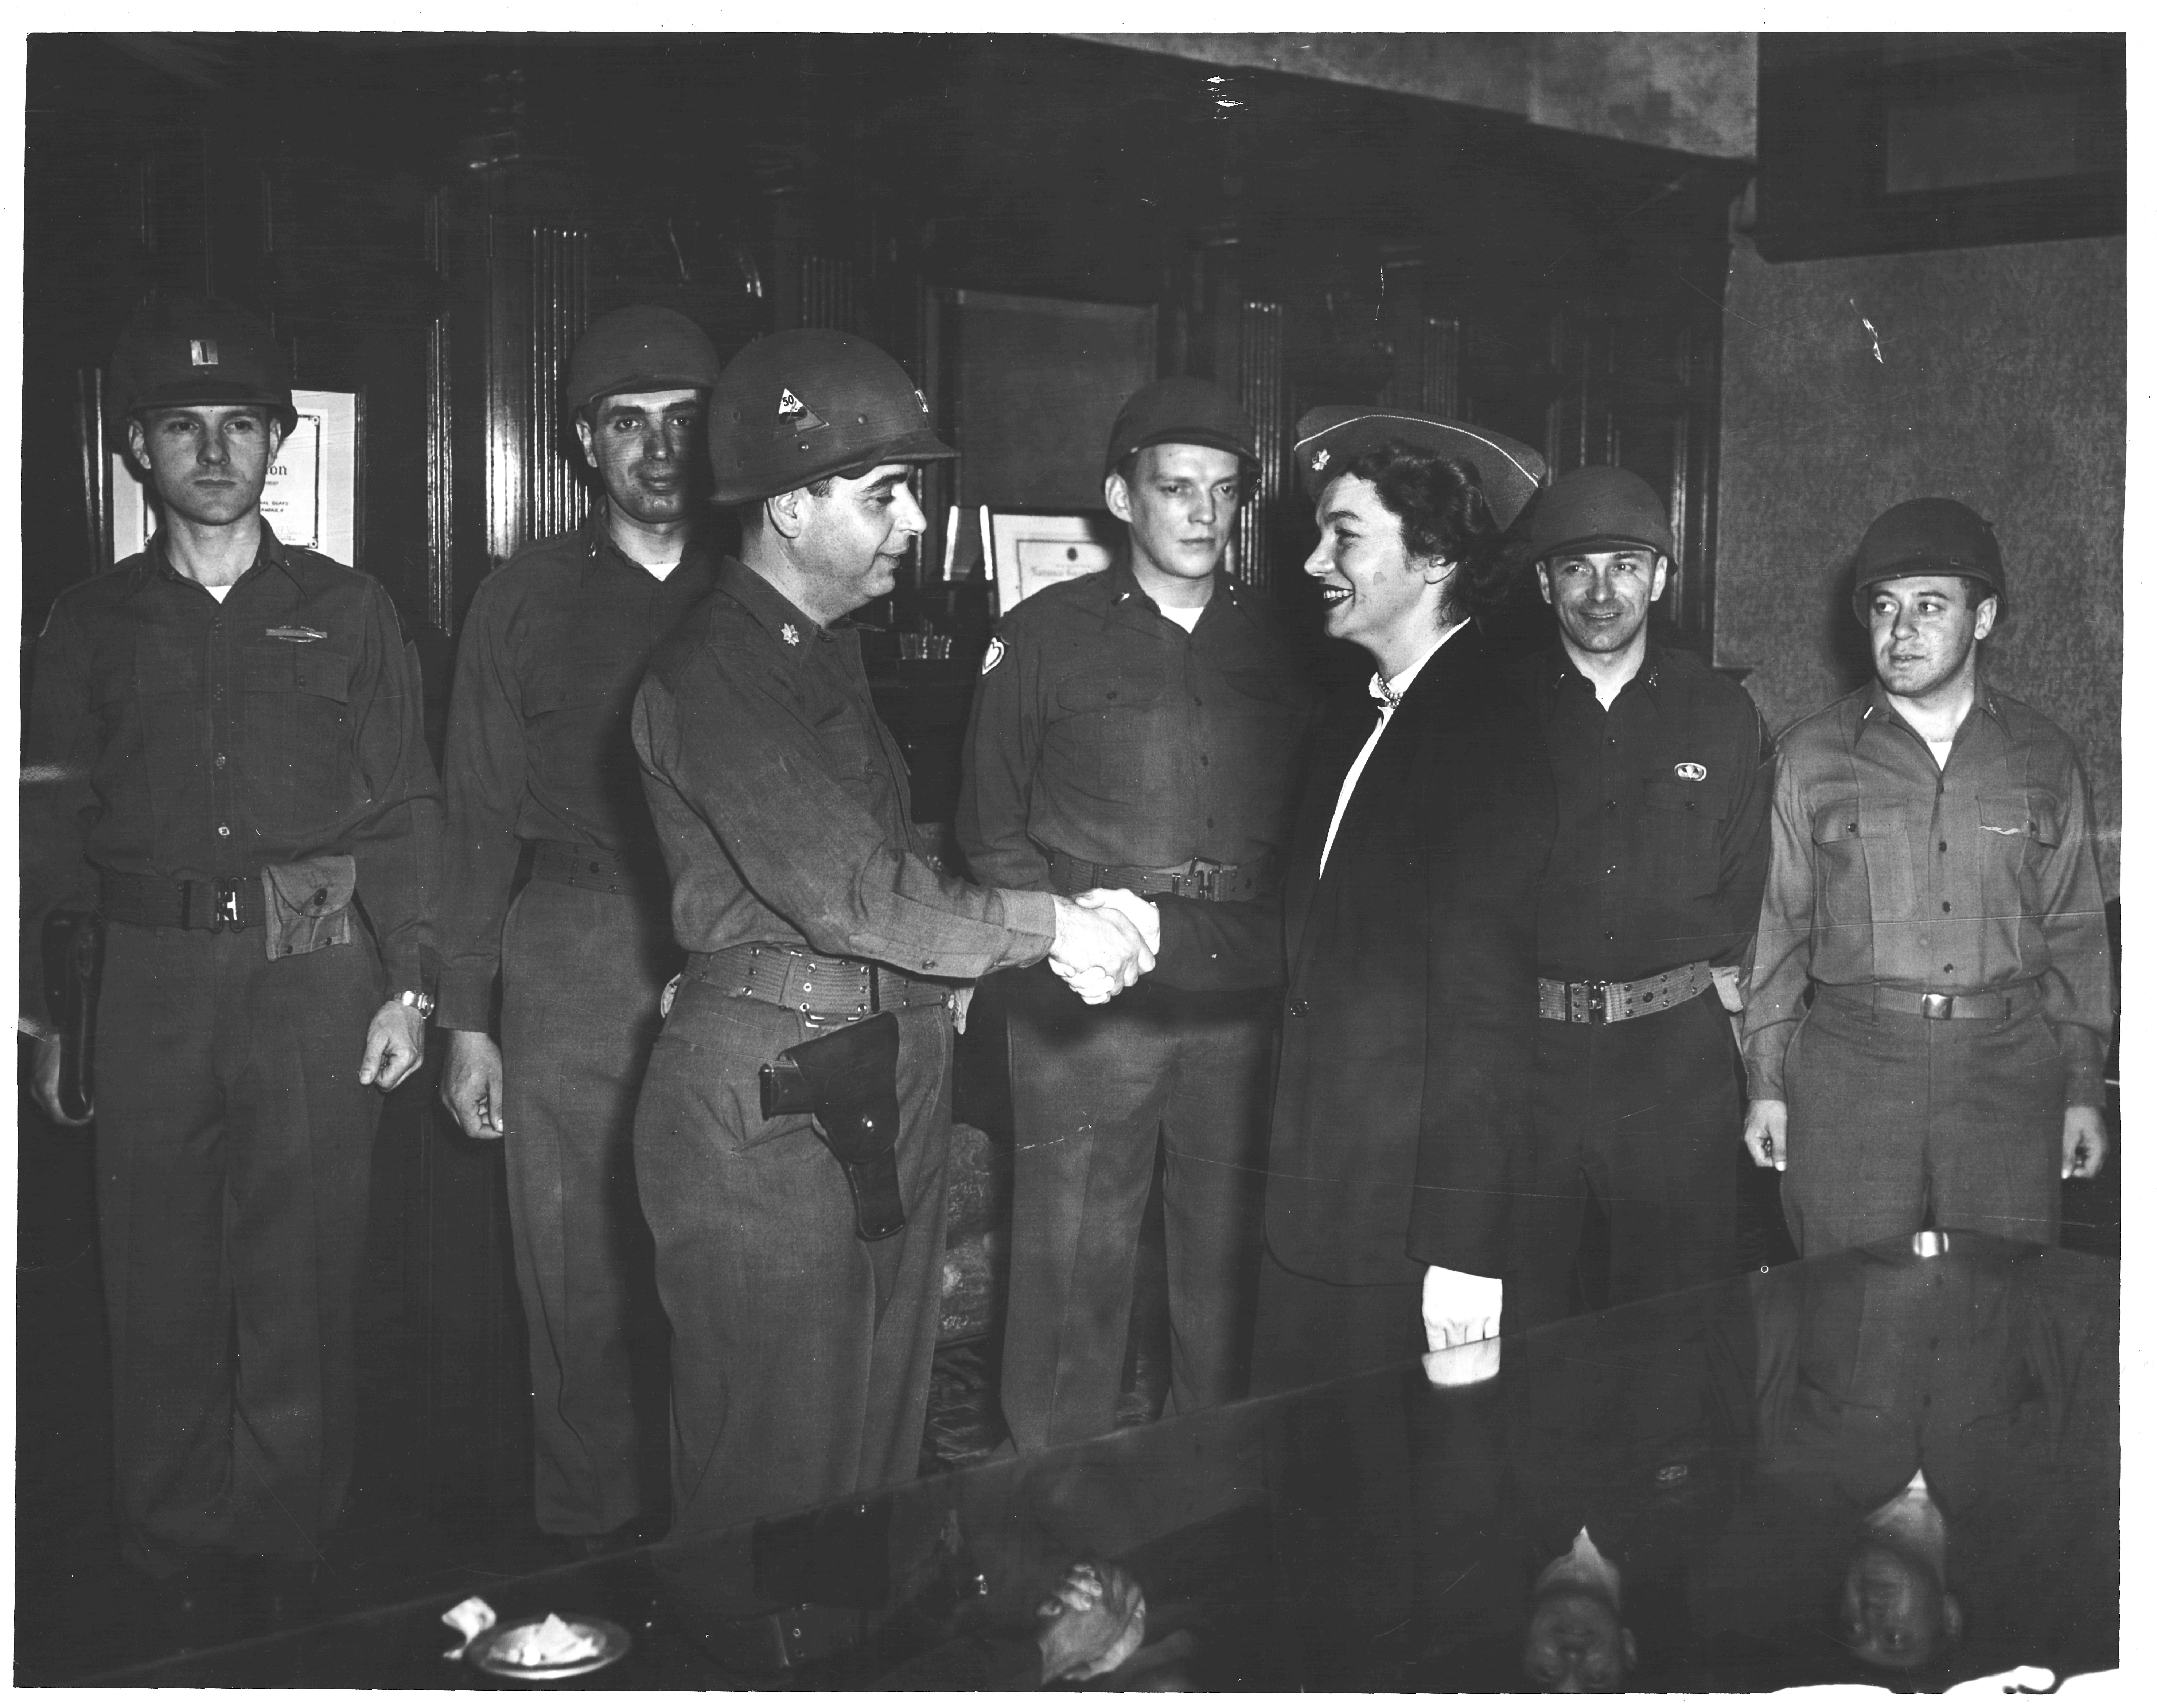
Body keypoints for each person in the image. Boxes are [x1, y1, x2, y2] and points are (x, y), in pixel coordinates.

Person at [628, 329, 1160, 1628]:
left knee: (868, 1458)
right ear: (787, 505)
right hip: (777, 1104)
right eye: (884, 495)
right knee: (768, 1487)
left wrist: (1019, 929)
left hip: (870, 1067)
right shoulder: (716, 671)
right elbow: (853, 895)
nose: (914, 524)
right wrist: (1051, 925)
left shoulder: (813, 653)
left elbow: (885, 869)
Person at [19, 296, 441, 1607]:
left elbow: (406, 809)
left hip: (311, 975)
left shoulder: (350, 609)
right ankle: (167, 1553)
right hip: (141, 978)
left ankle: (288, 1545)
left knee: (302, 1266)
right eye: (182, 427)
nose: (214, 452)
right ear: (135, 449)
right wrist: (43, 1014)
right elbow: (44, 828)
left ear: (279, 442)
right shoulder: (86, 621)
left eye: (241, 425)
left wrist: (411, 985)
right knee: (154, 1270)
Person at [1138, 406, 1554, 1391]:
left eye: (1345, 536)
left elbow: (1485, 1011)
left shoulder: (1492, 732)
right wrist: (1144, 925)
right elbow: (1305, 942)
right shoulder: (1350, 721)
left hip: (1411, 1230)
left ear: (1436, 555)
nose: (1313, 560)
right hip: (1320, 1196)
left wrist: (1464, 1251)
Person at [956, 377, 1317, 1451]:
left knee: (1230, 1269)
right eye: (1176, 488)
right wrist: (1067, 943)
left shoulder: (1294, 642)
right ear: (1121, 497)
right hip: (1087, 998)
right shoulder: (1041, 635)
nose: (1204, 513)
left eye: (1224, 490)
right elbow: (989, 828)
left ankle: (1208, 1482)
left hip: (1240, 991)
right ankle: (1048, 1494)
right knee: (1070, 1267)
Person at [435, 304, 722, 1548]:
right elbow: (474, 817)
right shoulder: (523, 597)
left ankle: (713, 1536)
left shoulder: (769, 582)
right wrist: (467, 1017)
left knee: (724, 1253)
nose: (659, 449)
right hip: (571, 943)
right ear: (584, 444)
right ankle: (590, 1544)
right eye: (628, 423)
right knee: (572, 1259)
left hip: (733, 947)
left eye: (684, 421)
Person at [1740, 498, 2112, 1255]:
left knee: (2001, 1301)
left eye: (1929, 606)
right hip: (1852, 1073)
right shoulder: (1809, 755)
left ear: (1983, 619)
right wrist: (1767, 1085)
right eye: (1884, 607)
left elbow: (2076, 942)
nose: (1900, 630)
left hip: (2007, 1076)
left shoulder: (2044, 756)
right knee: (1846, 1307)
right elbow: (1775, 936)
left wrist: (2081, 1088)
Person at [1510, 467, 1774, 1327]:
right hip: (1525, 1057)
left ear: (1660, 578)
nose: (1601, 592)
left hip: (1672, 1065)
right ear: (1543, 583)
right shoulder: (1489, 714)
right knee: (1515, 1323)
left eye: (1625, 566)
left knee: (1676, 1322)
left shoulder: (1721, 715)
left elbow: (1744, 891)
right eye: (1576, 568)